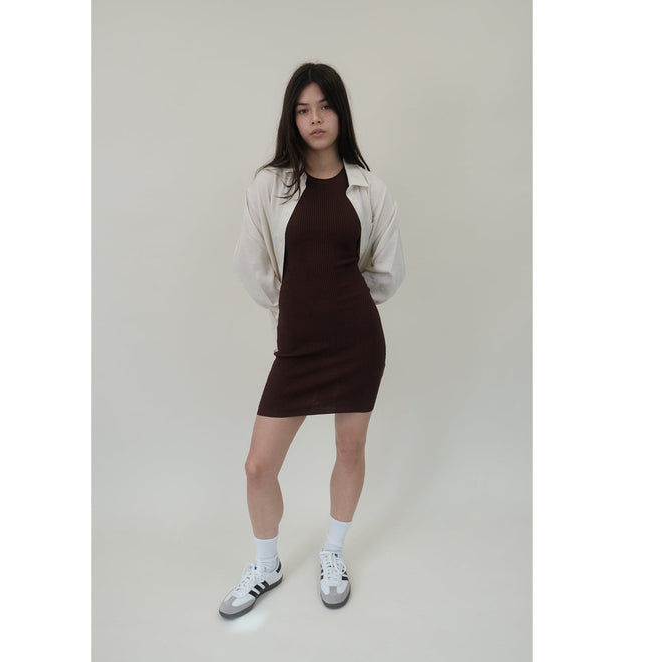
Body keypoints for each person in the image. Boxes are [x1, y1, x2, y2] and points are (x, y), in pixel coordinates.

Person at [219, 62, 405, 619]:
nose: (315, 119)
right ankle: (266, 564)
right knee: (258, 465)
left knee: (349, 450)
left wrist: (342, 304)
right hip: (298, 346)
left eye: (324, 107)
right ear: (292, 119)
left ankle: (332, 554)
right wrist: (293, 308)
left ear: (340, 112)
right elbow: (252, 264)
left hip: (357, 342)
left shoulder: (370, 188)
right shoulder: (268, 185)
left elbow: (387, 272)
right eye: (303, 110)